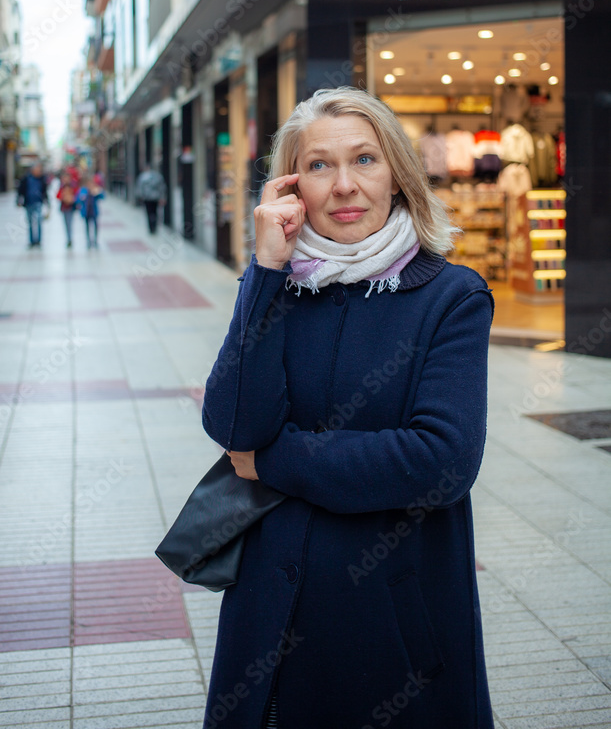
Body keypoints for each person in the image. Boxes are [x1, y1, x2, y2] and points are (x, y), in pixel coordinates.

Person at [202, 87, 495, 729]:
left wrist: (274, 458)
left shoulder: (451, 297)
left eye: (364, 160)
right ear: (291, 186)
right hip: (269, 616)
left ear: (397, 176)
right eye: (318, 166)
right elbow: (231, 426)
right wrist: (265, 272)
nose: (343, 186)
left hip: (392, 626)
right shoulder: (278, 285)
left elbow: (439, 462)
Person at [17, 162, 49, 248]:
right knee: (30, 222)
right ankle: (32, 240)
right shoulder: (26, 179)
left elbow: (44, 191)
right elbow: (20, 190)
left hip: (38, 202)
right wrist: (18, 200)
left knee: (38, 221)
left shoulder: (42, 179)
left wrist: (47, 202)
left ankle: (38, 240)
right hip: (28, 203)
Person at [135, 163, 165, 234]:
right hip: (155, 197)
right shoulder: (157, 176)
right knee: (155, 212)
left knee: (149, 213)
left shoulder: (142, 177)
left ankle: (151, 228)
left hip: (147, 198)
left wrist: (140, 196)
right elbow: (162, 187)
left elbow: (140, 188)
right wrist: (162, 197)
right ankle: (154, 226)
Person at [76, 175, 103, 248]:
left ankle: (95, 240)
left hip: (94, 211)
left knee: (95, 226)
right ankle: (88, 240)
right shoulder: (83, 190)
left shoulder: (95, 190)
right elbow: (78, 199)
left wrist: (98, 192)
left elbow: (102, 196)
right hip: (86, 212)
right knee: (87, 226)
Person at [56, 172, 77, 248]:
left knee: (69, 223)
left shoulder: (73, 186)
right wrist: (63, 196)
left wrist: (72, 199)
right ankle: (68, 238)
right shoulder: (62, 186)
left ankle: (70, 239)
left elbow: (76, 195)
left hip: (71, 208)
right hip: (64, 208)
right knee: (66, 223)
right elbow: (57, 196)